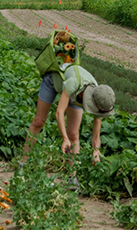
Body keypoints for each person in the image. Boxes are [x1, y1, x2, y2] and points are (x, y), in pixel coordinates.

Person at [23, 53, 115, 188]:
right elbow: (59, 112)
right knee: (39, 122)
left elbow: (96, 134)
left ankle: (73, 178)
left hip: (76, 95)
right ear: (92, 101)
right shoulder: (74, 83)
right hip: (55, 82)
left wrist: (96, 151)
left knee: (73, 134)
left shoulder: (102, 100)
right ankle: (23, 165)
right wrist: (64, 138)